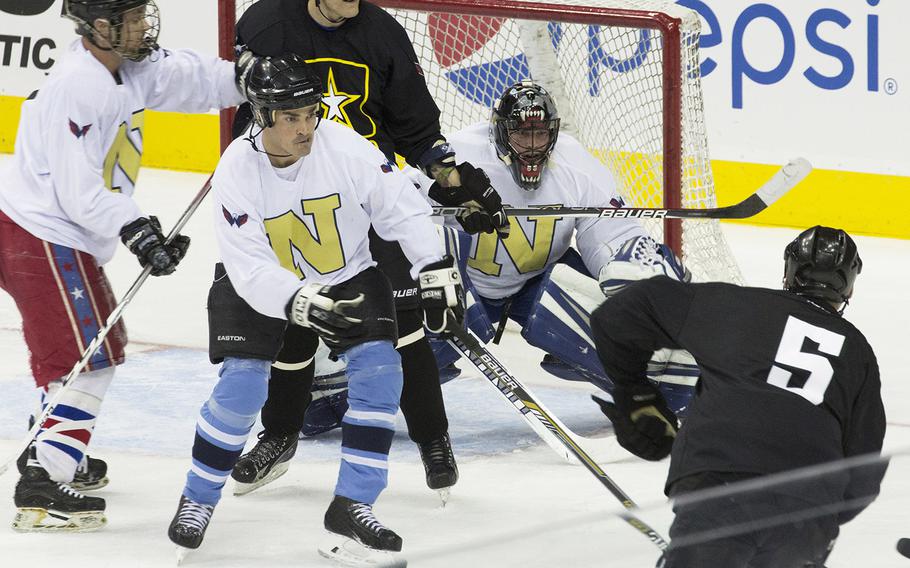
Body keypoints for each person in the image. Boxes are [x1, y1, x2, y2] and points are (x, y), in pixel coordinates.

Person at [166, 53, 463, 563]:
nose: (305, 127)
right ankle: (198, 497)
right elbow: (251, 266)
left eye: (310, 113)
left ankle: (353, 502)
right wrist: (297, 300)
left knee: (381, 371)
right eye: (291, 117)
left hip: (346, 272)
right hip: (257, 285)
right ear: (262, 116)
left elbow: (398, 206)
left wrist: (432, 265)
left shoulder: (345, 147)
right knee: (242, 387)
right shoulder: (236, 168)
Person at [300, 80, 699, 440]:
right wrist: (446, 256)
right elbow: (399, 220)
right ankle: (339, 384)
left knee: (605, 314)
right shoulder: (459, 158)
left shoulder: (578, 166)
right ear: (499, 131)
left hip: (535, 283)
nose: (530, 145)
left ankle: (662, 379)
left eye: (540, 134)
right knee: (415, 357)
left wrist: (636, 272)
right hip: (462, 282)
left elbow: (612, 236)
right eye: (520, 134)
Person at [228, 0, 509, 497]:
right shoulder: (265, 23)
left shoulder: (382, 34)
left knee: (404, 324)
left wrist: (452, 179)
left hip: (369, 195)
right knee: (292, 327)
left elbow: (418, 130)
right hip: (293, 196)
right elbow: (249, 108)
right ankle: (278, 436)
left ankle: (433, 441)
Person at [0, 0, 244, 532]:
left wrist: (244, 77)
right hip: (43, 235)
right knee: (94, 357)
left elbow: (184, 77)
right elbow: (76, 189)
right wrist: (136, 228)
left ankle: (55, 446)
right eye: (130, 17)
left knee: (73, 351)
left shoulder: (124, 68)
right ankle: (44, 476)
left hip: (46, 235)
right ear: (100, 27)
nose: (142, 25)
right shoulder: (78, 85)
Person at [590, 226, 886, 567]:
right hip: (807, 515)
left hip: (719, 488)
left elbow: (619, 315)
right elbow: (863, 474)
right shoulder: (857, 352)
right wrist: (812, 518)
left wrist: (635, 394)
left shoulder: (738, 305)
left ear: (789, 272)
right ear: (848, 285)